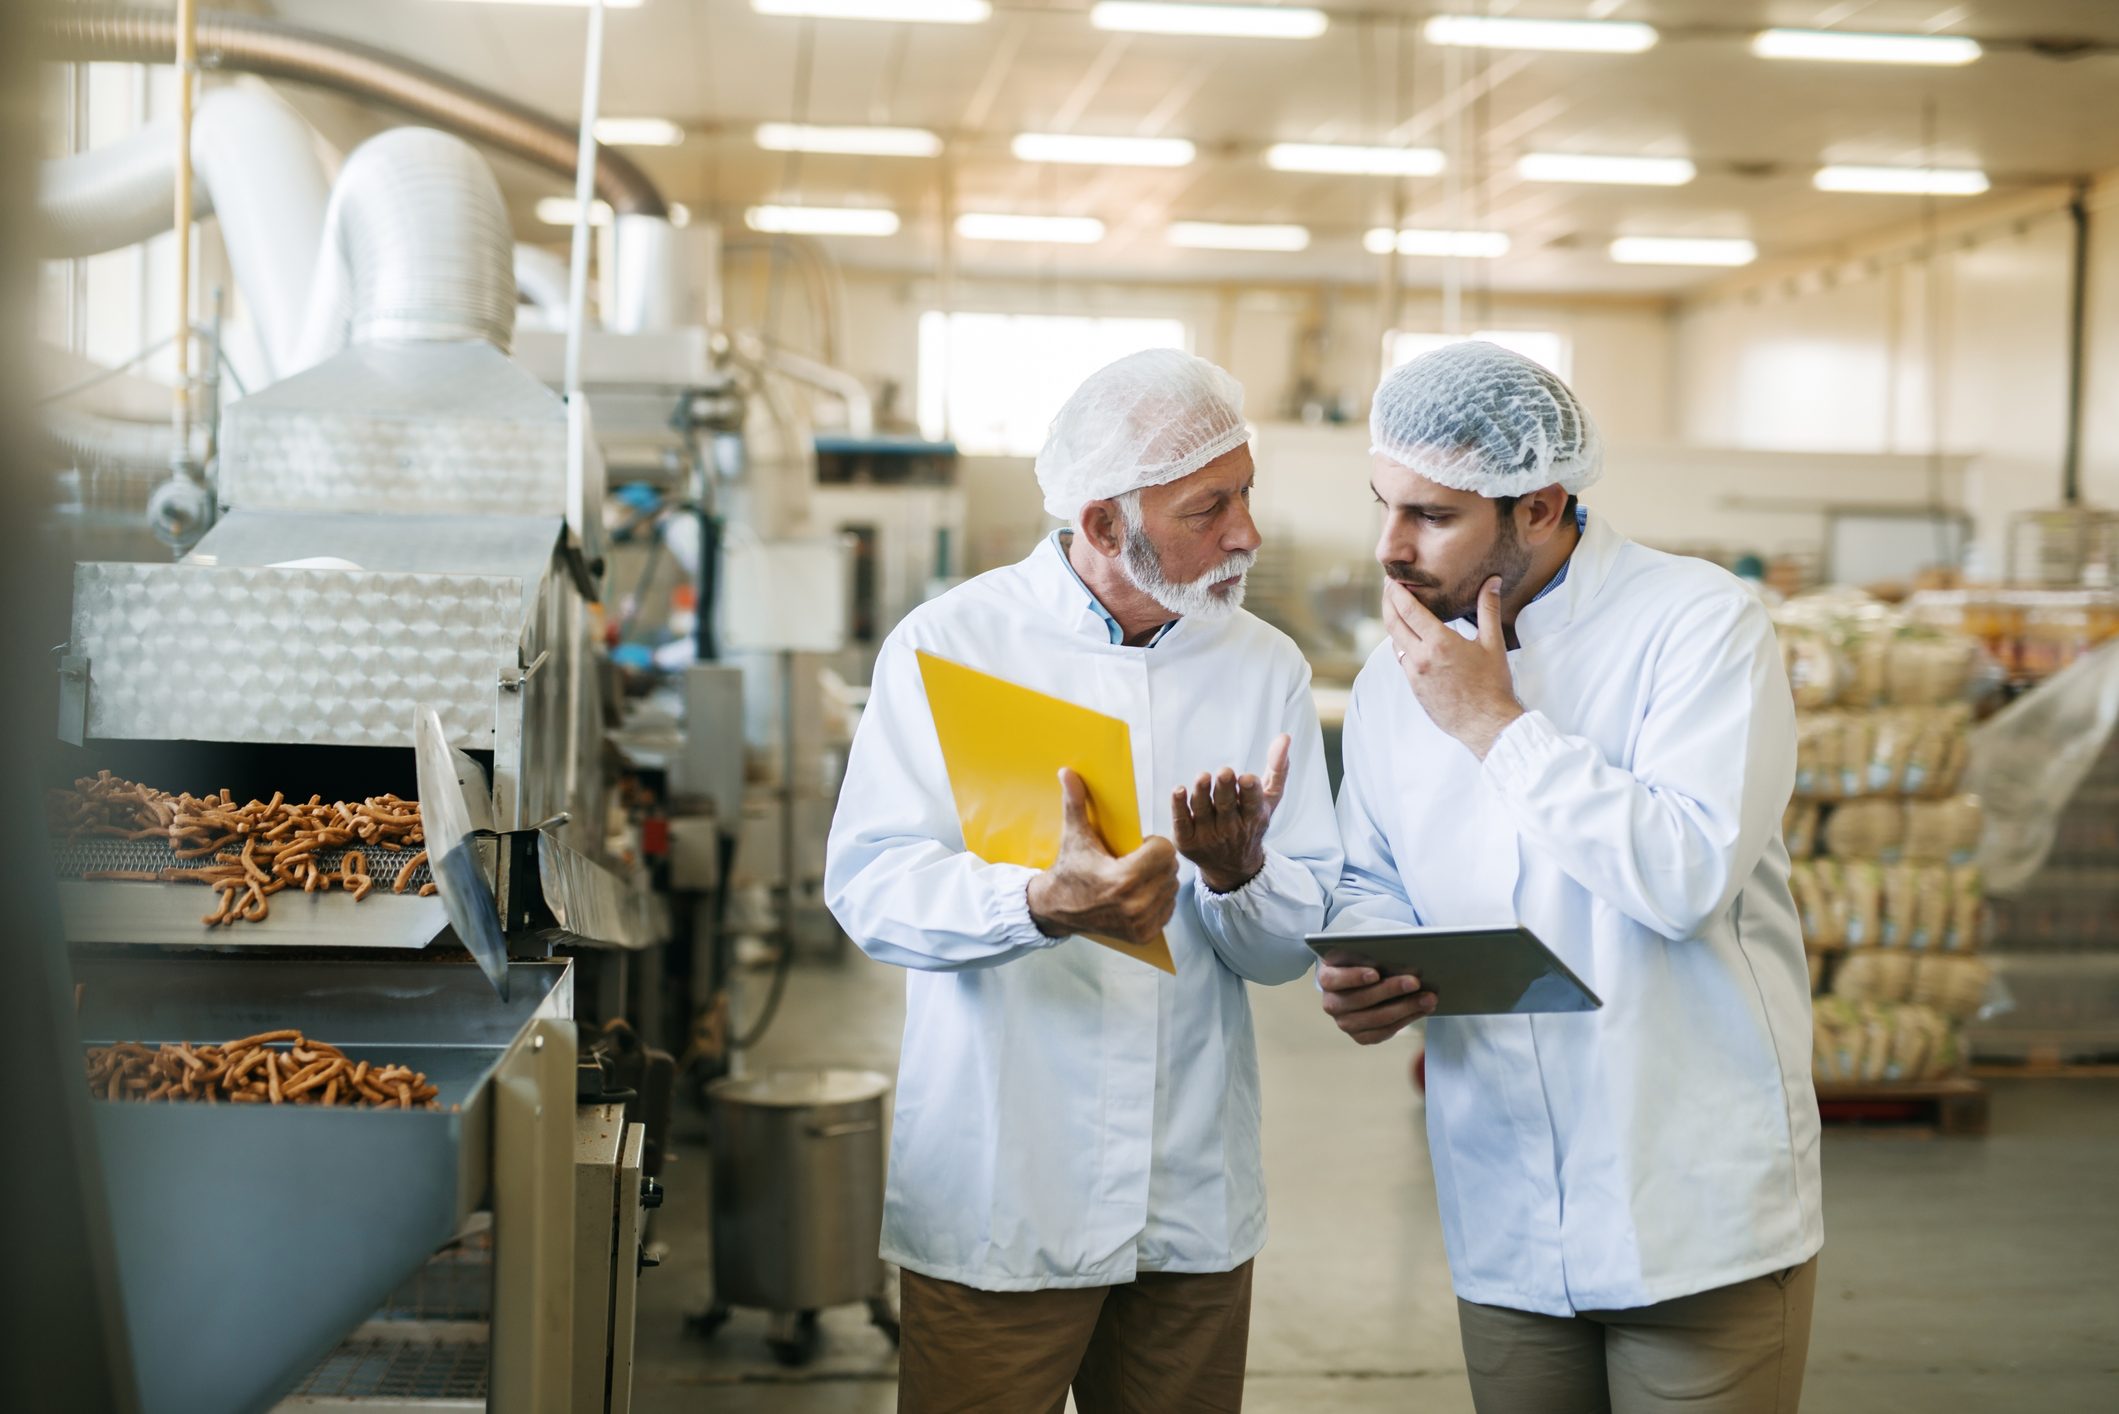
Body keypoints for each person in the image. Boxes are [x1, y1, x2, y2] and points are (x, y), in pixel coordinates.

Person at [826, 348, 1343, 1413]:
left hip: (1188, 1191)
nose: (1246, 533)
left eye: (1247, 494)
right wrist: (1035, 903)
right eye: (1210, 507)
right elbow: (871, 883)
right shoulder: (952, 644)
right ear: (1104, 524)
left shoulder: (1263, 668)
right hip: (1004, 1184)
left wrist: (1241, 875)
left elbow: (1287, 945)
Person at [1318, 341, 1822, 1413]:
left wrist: (1494, 724)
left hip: (1689, 1210)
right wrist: (1368, 964)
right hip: (1502, 1213)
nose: (1388, 547)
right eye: (1383, 505)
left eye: (1431, 515)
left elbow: (1684, 874)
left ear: (1539, 504)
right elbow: (1372, 874)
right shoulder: (1387, 674)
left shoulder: (1696, 624)